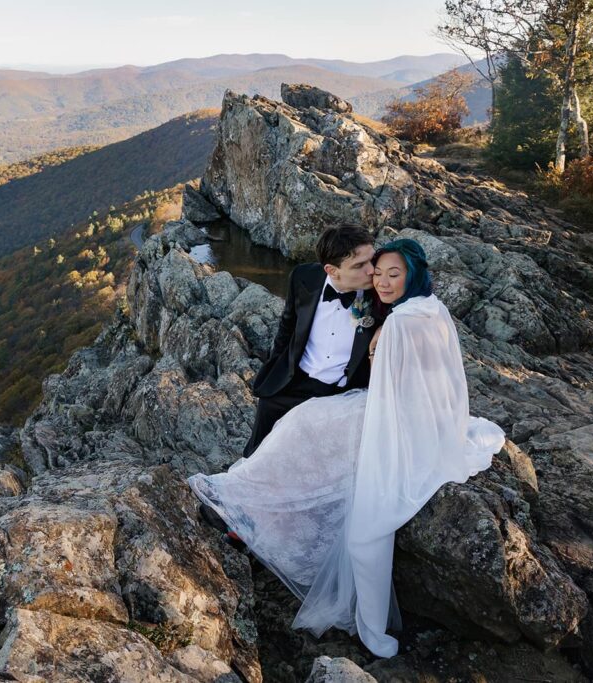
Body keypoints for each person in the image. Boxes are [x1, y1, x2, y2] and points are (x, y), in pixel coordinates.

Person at [189, 238, 506, 658]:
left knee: (305, 432)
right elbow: (291, 330)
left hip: (383, 412)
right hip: (369, 401)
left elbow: (394, 383)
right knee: (289, 429)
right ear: (332, 269)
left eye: (390, 273)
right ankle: (256, 505)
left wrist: (377, 344)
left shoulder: (392, 316)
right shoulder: (422, 305)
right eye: (372, 270)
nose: (379, 278)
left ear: (412, 275)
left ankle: (256, 507)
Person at [243, 224, 382, 458]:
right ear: (331, 270)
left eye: (372, 259)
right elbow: (287, 327)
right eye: (359, 265)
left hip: (342, 390)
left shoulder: (381, 292)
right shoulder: (303, 277)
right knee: (261, 436)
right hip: (298, 378)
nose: (371, 271)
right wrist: (277, 365)